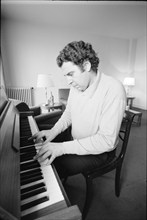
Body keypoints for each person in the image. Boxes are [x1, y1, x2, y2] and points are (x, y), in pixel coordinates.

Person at [31, 40, 126, 179]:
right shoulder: (76, 86)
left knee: (48, 166)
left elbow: (106, 141)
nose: (68, 81)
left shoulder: (113, 89)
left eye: (71, 73)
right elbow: (68, 113)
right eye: (66, 75)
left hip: (99, 153)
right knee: (41, 135)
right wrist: (53, 131)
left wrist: (62, 148)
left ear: (86, 66)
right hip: (75, 139)